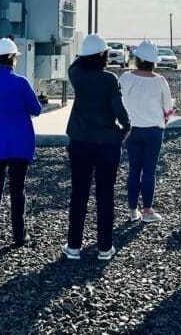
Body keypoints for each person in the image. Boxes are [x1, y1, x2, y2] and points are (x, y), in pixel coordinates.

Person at [61, 33, 131, 262]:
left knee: (79, 193)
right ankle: (104, 247)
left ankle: (74, 246)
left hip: (80, 141)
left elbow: (74, 64)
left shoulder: (77, 75)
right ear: (103, 55)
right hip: (107, 143)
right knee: (105, 194)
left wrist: (85, 54)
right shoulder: (110, 79)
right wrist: (125, 128)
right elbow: (120, 111)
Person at [0, 38, 42, 249]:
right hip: (19, 142)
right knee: (17, 190)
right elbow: (36, 109)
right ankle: (19, 235)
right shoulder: (21, 82)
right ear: (12, 57)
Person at [119, 40, 174, 223]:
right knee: (149, 171)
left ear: (137, 59)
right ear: (154, 61)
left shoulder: (125, 78)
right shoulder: (160, 81)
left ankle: (132, 210)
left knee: (134, 170)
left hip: (131, 129)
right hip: (154, 130)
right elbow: (168, 108)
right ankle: (148, 210)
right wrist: (164, 119)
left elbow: (119, 101)